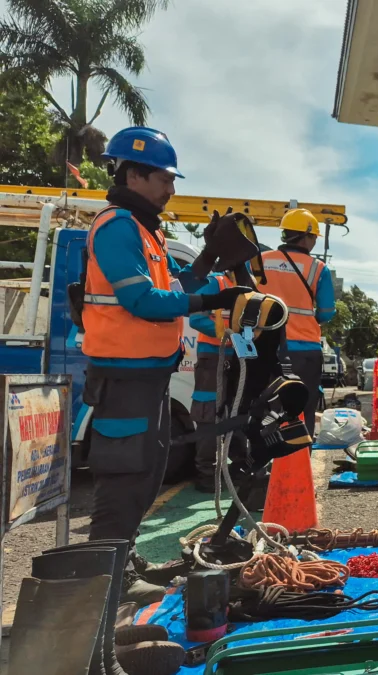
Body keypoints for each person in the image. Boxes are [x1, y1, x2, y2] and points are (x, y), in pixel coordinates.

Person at [83, 127, 250, 604]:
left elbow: (174, 283)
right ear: (134, 174)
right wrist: (213, 296)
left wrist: (209, 256)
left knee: (148, 472)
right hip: (125, 377)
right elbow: (143, 300)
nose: (171, 189)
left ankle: (123, 562)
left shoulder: (144, 230)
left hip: (148, 376)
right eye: (164, 179)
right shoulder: (117, 226)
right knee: (124, 478)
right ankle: (104, 587)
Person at [261, 208, 337, 438]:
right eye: (314, 237)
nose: (314, 242)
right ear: (307, 236)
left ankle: (269, 462)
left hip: (265, 347)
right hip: (304, 349)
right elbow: (326, 313)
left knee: (268, 405)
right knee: (304, 404)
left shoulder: (260, 261)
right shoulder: (318, 268)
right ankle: (300, 456)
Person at [188, 271, 234, 493]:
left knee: (237, 412)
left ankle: (235, 471)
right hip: (213, 356)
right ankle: (206, 475)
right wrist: (228, 335)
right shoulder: (217, 283)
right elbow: (197, 317)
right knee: (208, 414)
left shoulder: (249, 287)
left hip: (238, 357)